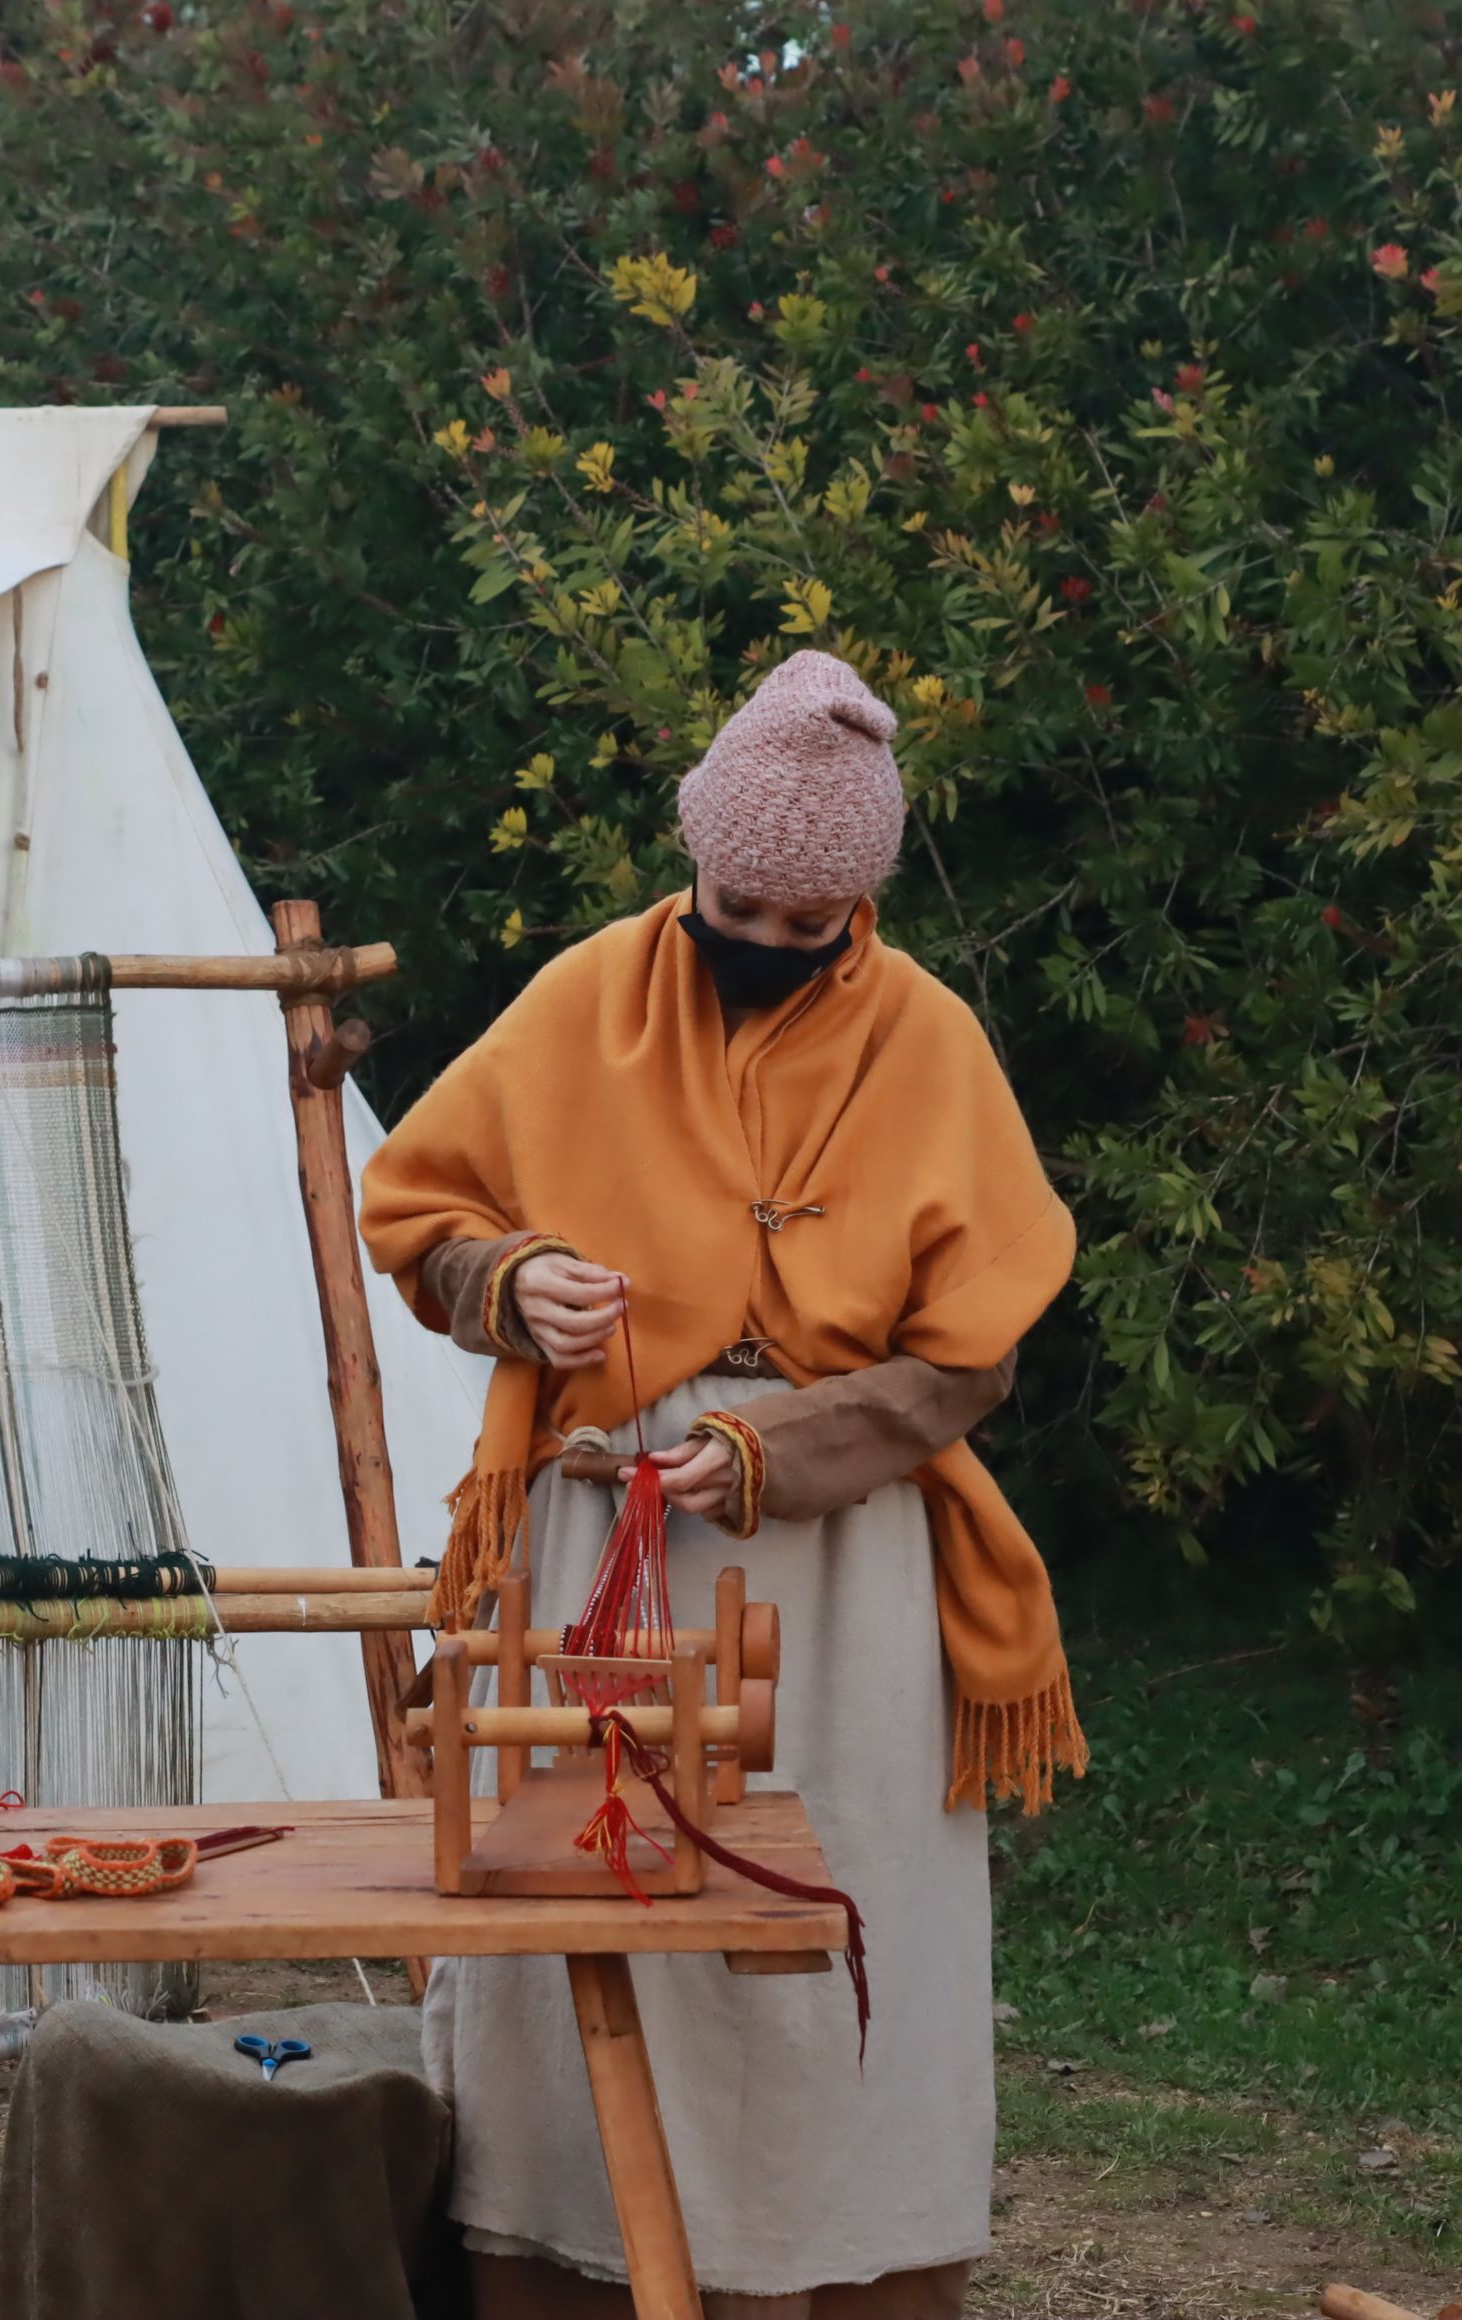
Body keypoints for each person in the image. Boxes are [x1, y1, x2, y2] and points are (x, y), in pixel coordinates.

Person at [360, 649, 1087, 2319]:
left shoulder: (932, 1043)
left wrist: (783, 1450)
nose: (758, 942)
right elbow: (423, 1212)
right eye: (733, 904)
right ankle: (571, 2271)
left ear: (861, 909)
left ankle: (825, 2275)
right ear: (694, 860)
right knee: (581, 1930)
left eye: (800, 924)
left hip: (841, 1590)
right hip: (595, 1549)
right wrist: (512, 1280)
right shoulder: (582, 999)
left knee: (833, 1913)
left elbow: (972, 1359)